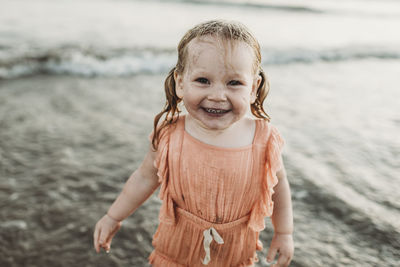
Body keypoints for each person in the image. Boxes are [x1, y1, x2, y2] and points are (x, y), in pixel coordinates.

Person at [93, 20, 294, 267]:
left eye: (234, 83)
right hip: (177, 250)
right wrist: (114, 216)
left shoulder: (264, 138)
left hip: (235, 254)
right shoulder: (168, 133)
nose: (217, 95)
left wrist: (284, 233)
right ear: (180, 82)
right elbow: (145, 178)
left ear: (253, 88)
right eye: (203, 80)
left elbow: (278, 186)